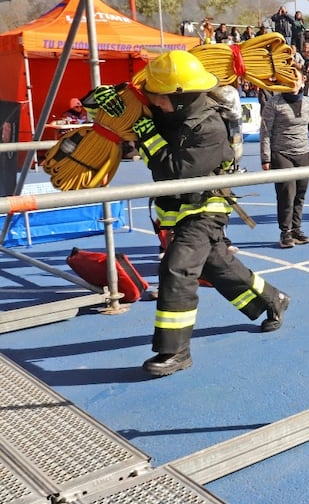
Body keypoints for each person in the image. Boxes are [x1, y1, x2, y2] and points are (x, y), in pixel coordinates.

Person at [89, 50, 290, 377]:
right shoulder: (165, 110)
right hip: (177, 207)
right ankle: (272, 300)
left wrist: (145, 131)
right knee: (218, 265)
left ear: (180, 98)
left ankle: (175, 351)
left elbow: (175, 171)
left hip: (204, 207)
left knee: (178, 267)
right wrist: (101, 104)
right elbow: (129, 114)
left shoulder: (208, 127)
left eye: (159, 97)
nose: (154, 102)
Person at [259, 70, 309, 249]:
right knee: (286, 193)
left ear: (302, 81)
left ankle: (297, 229)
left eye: (295, 78)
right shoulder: (274, 103)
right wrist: (266, 158)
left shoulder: (306, 103)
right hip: (281, 153)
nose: (292, 82)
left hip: (303, 153)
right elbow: (266, 131)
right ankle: (285, 232)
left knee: (300, 194)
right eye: (288, 79)